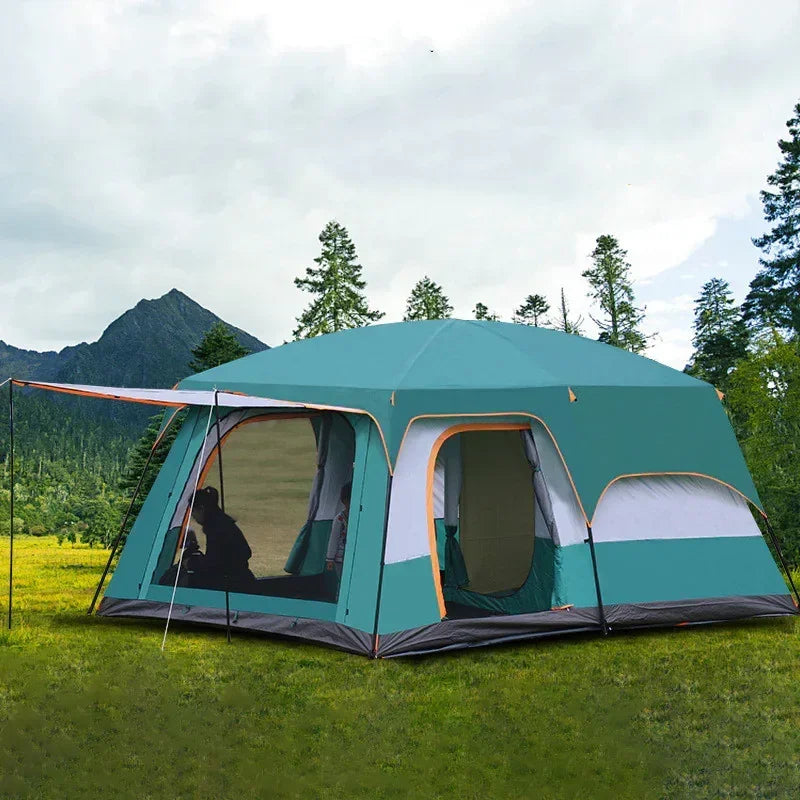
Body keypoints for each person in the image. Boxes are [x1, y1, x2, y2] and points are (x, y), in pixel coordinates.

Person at [188, 486, 255, 591]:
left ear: (201, 508)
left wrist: (191, 563)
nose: (193, 516)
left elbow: (213, 563)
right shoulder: (224, 523)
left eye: (193, 511)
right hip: (243, 581)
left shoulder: (217, 529)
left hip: (234, 586)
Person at [325, 482, 352, 579]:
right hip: (340, 558)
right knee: (342, 579)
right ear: (344, 501)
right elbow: (334, 539)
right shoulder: (340, 519)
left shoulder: (360, 517)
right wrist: (330, 558)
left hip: (354, 556)